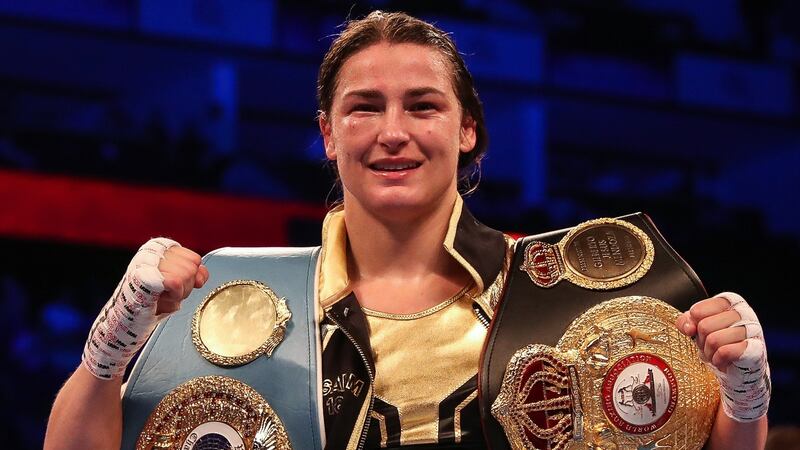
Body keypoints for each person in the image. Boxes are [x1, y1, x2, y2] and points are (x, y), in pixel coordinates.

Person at [44, 11, 770, 450]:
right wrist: (112, 346)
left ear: (468, 129)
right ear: (328, 135)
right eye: (364, 107)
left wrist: (745, 399)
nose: (393, 133)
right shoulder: (228, 294)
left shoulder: (560, 295)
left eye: (422, 105)